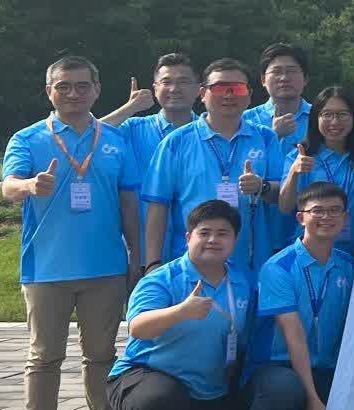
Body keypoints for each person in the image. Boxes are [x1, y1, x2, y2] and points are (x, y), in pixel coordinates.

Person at [3, 55, 143, 410]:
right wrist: (30, 185)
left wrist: (137, 257)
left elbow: (128, 202)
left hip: (104, 267)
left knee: (101, 354)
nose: (73, 93)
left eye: (82, 86)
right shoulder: (29, 138)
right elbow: (8, 186)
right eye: (63, 86)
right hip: (47, 267)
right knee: (44, 357)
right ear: (50, 91)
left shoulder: (114, 139)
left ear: (97, 90)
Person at [109, 200, 247, 410]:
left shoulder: (242, 281)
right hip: (148, 375)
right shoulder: (162, 279)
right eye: (204, 232)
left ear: (235, 239)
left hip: (206, 387)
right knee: (162, 399)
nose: (213, 240)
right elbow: (138, 327)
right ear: (188, 237)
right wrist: (180, 311)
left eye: (223, 233)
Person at [243, 181, 354, 410]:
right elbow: (293, 337)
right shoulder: (279, 267)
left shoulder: (348, 265)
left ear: (345, 218)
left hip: (325, 365)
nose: (326, 217)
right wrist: (312, 397)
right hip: (277, 366)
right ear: (300, 217)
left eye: (334, 211)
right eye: (317, 211)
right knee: (285, 389)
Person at [143, 58, 279, 279]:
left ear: (249, 95)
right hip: (190, 265)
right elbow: (158, 206)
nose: (228, 95)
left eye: (237, 88)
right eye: (219, 88)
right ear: (202, 93)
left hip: (250, 264)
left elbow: (283, 196)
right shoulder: (176, 141)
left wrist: (261, 187)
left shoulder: (266, 137)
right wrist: (152, 263)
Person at [276, 87, 354, 254]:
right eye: (327, 115)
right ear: (315, 119)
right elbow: (285, 207)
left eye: (342, 115)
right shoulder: (300, 156)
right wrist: (294, 173)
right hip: (309, 250)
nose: (334, 122)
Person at [104, 53, 200, 176]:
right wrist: (130, 108)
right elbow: (88, 136)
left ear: (198, 89)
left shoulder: (210, 131)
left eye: (183, 82)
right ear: (155, 89)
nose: (174, 89)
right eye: (166, 82)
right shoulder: (133, 128)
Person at [248, 43, 313, 150]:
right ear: (263, 80)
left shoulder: (321, 118)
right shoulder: (245, 121)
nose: (284, 78)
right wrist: (274, 135)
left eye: (292, 71)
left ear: (305, 79)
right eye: (276, 71)